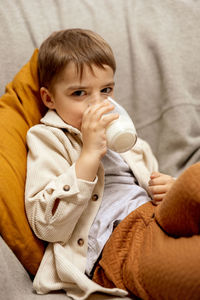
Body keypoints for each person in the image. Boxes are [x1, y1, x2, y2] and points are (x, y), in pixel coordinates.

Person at [25, 28, 176, 300]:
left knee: (188, 187)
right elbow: (47, 224)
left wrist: (169, 190)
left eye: (106, 90)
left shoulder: (127, 141)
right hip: (116, 239)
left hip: (155, 220)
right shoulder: (47, 138)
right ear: (49, 98)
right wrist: (89, 155)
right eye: (80, 93)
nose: (98, 104)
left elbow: (150, 186)